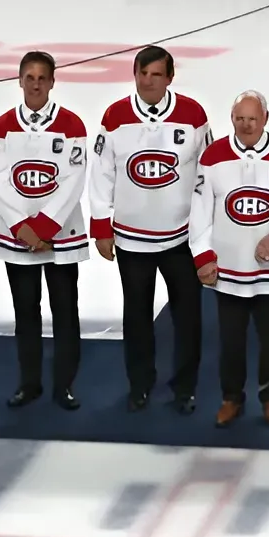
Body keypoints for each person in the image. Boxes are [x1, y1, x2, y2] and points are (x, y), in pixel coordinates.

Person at [90, 45, 211, 414]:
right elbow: (102, 173)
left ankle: (185, 388)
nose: (147, 81)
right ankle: (139, 385)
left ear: (169, 78)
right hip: (132, 237)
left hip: (180, 238)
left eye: (155, 74)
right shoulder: (115, 116)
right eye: (142, 73)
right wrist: (101, 226)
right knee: (137, 316)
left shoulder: (193, 115)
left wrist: (204, 236)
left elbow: (206, 176)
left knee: (188, 317)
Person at [190, 91, 269, 429]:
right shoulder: (213, 157)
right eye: (239, 118)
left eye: (252, 119)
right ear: (231, 118)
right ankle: (231, 399)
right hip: (227, 269)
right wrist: (202, 256)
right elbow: (199, 212)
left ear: (265, 119)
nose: (245, 125)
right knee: (230, 340)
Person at [0, 51, 89, 411]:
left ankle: (65, 386)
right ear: (19, 80)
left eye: (41, 78)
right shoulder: (1, 126)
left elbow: (74, 179)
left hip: (62, 235)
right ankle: (29, 383)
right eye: (29, 77)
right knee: (25, 312)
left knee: (65, 312)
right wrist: (23, 228)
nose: (35, 84)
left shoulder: (72, 124)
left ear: (52, 82)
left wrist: (45, 227)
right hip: (19, 240)